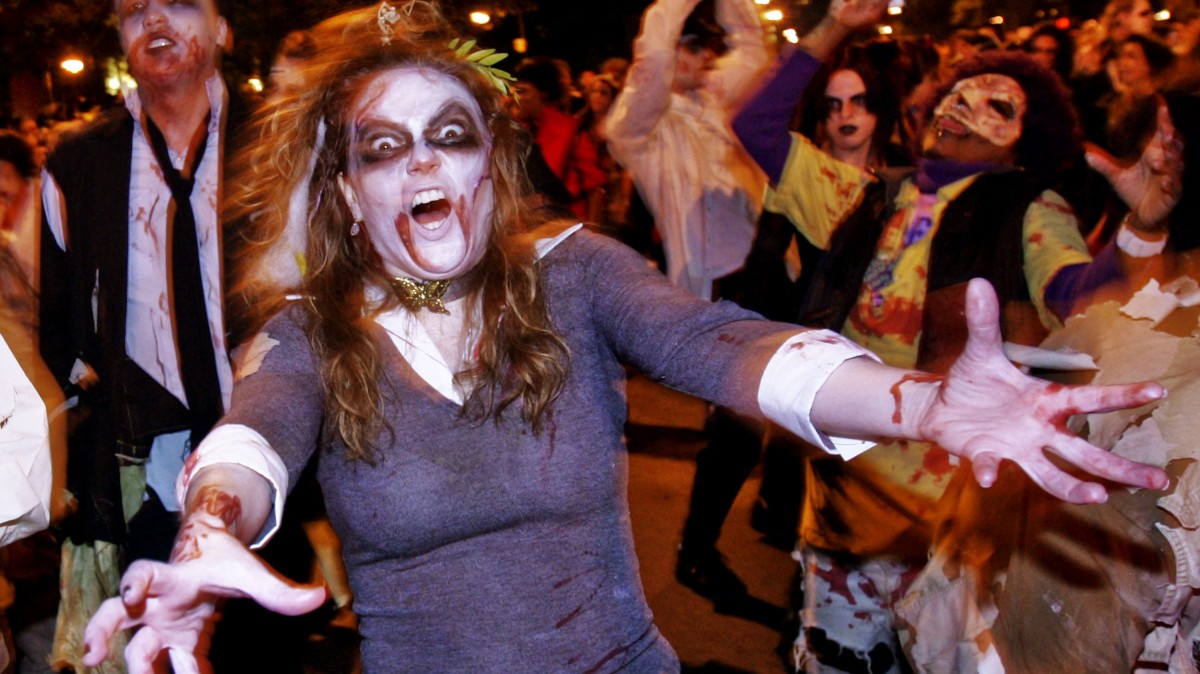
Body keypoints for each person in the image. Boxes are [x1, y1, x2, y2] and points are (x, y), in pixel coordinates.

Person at [69, 3, 1174, 674]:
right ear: (348, 192)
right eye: (381, 148)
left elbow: (724, 342)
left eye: (448, 137)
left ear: (487, 169)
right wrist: (210, 521)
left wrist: (917, 403)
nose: (420, 165)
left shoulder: (580, 273)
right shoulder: (312, 329)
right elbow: (255, 428)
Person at [731, 0, 1183, 669]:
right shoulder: (869, 196)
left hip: (950, 532)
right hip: (841, 515)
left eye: (999, 106)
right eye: (960, 92)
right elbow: (757, 126)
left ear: (1024, 143)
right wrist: (835, 26)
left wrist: (1140, 230)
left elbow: (1078, 299)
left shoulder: (1027, 208)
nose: (969, 106)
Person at [37, 0, 248, 669]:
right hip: (150, 469)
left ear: (223, 27)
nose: (155, 20)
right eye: (134, 11)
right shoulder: (77, 163)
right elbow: (61, 328)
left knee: (259, 646)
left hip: (281, 451)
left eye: (181, 3)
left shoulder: (282, 140)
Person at [604, 0, 773, 610]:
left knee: (779, 415)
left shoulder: (715, 105)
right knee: (738, 427)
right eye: (688, 47)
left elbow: (752, 48)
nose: (703, 59)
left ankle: (765, 519)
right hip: (719, 293)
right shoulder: (641, 127)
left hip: (773, 276)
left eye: (705, 49)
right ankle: (697, 549)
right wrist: (671, 10)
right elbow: (651, 69)